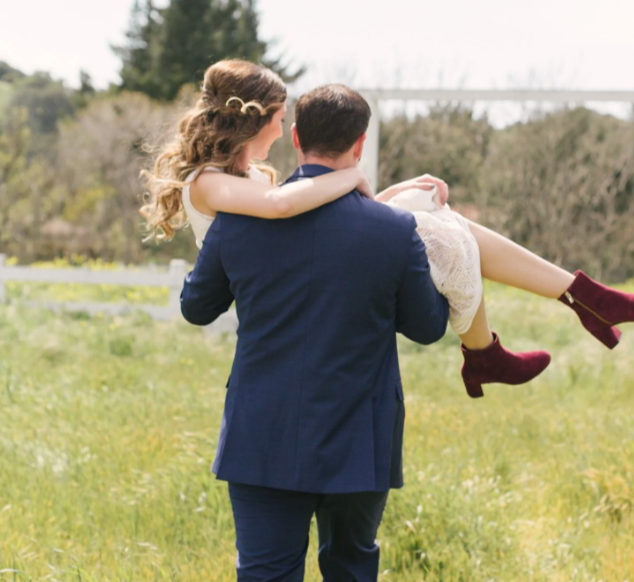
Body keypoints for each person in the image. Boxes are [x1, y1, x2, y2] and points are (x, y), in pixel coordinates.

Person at [143, 59, 634, 399]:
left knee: (443, 216)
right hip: (281, 279)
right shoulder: (210, 183)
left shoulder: (250, 175)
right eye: (277, 117)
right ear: (255, 121)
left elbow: (308, 212)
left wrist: (387, 197)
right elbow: (281, 210)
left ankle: (581, 299)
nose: (282, 129)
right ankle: (494, 346)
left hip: (302, 258)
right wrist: (357, 178)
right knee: (448, 230)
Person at [177, 79, 449, 582]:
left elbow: (196, 307)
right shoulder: (393, 231)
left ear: (296, 138)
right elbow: (429, 328)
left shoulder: (237, 217)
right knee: (351, 569)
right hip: (361, 437)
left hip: (261, 434)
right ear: (360, 145)